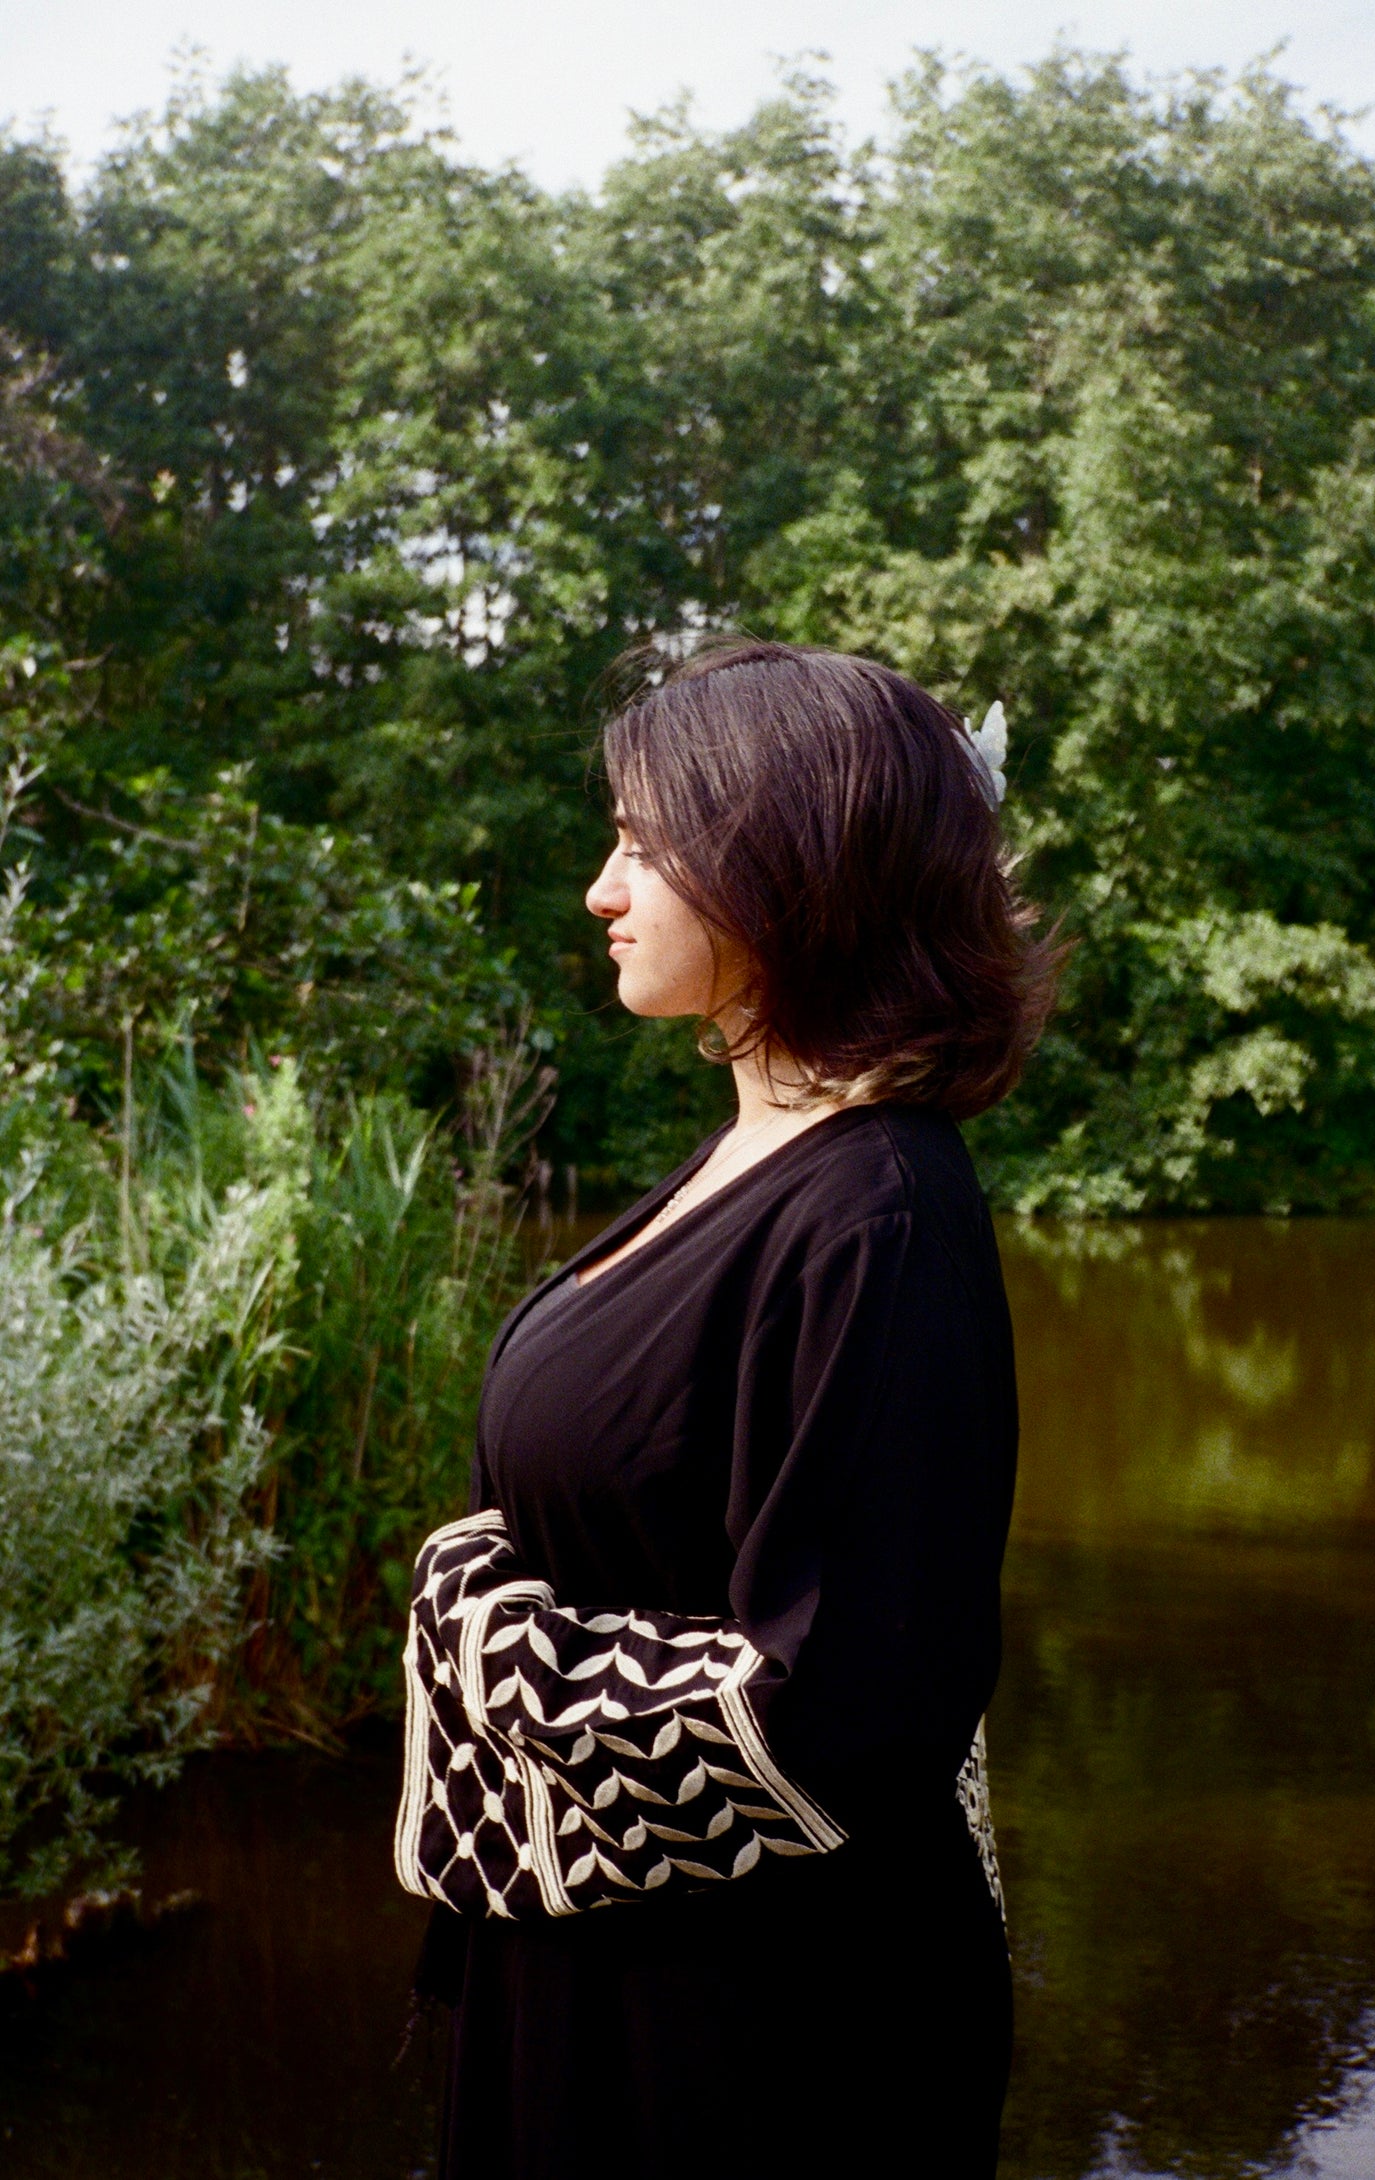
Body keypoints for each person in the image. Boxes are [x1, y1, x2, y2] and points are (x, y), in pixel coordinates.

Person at [395, 638, 1058, 2180]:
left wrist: (483, 1631)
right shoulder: (757, 1158)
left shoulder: (873, 1217)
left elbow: (839, 1716)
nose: (599, 889)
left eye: (640, 843)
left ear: (785, 864)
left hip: (747, 2044)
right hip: (610, 1967)